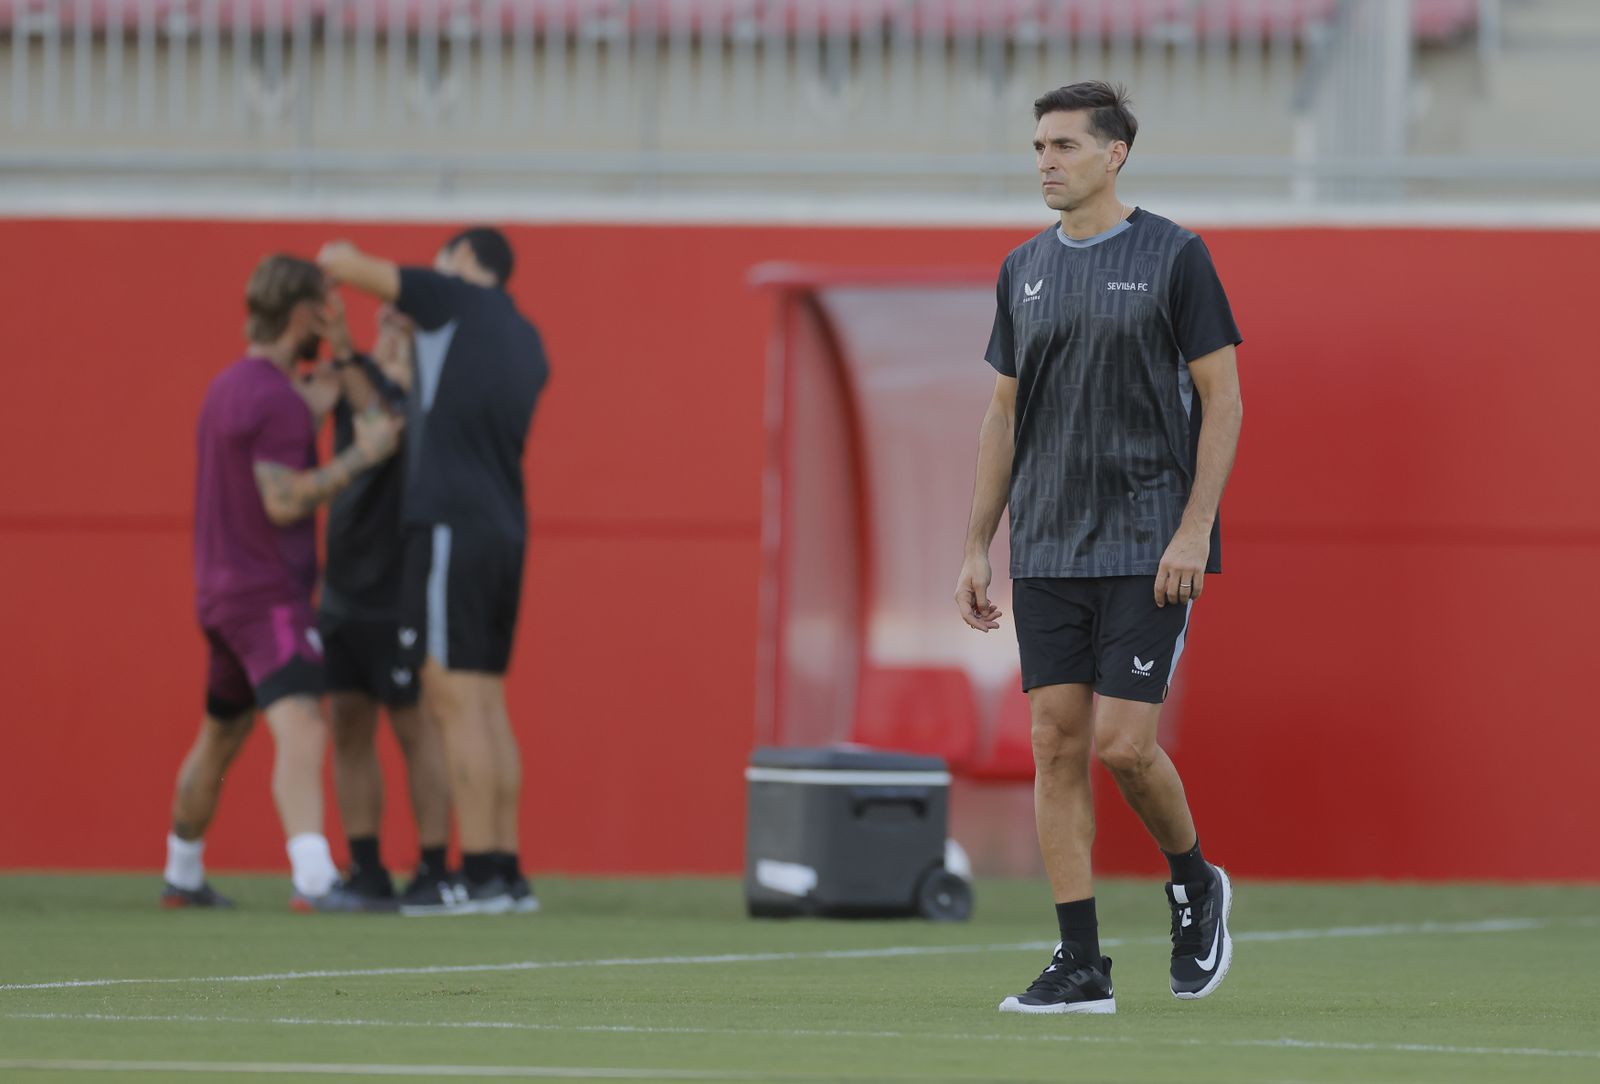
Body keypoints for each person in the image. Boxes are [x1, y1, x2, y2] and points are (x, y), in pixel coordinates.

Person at [955, 82, 1245, 1013]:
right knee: (1053, 744)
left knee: (1124, 746)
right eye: (1038, 145)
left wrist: (1195, 527)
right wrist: (976, 545)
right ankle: (1080, 963)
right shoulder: (1021, 268)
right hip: (1046, 548)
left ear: (1114, 154)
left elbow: (1224, 400)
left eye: (1065, 146)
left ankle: (1194, 880)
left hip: (1148, 541)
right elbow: (1003, 416)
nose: (1046, 160)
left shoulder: (1176, 257)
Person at [318, 227, 550, 915]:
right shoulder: (526, 337)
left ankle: (474, 877)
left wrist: (342, 257)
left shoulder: (453, 297)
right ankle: (505, 874)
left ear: (467, 260)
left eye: (445, 257)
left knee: (450, 700)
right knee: (484, 699)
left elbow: (342, 264)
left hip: (451, 523)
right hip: (504, 527)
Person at [162, 254, 404, 912]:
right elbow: (285, 500)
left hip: (218, 594)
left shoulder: (236, 385)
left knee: (220, 736)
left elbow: (330, 392)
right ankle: (316, 879)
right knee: (304, 725)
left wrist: (351, 355)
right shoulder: (274, 399)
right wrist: (365, 453)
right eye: (325, 309)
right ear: (303, 313)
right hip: (265, 595)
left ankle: (182, 873)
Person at [317, 300, 455, 910]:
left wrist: (344, 349)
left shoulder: (426, 397)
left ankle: (432, 869)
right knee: (347, 722)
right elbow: (346, 400)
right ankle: (366, 869)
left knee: (413, 727)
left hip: (401, 588)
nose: (393, 333)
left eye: (406, 324)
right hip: (343, 586)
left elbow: (384, 416)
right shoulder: (355, 380)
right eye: (388, 323)